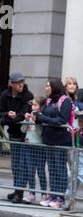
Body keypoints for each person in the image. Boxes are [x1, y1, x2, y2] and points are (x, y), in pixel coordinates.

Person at [0, 72, 34, 203]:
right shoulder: (4, 95)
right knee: (15, 164)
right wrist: (7, 114)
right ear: (11, 84)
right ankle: (17, 189)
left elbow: (24, 115)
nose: (21, 85)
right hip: (12, 133)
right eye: (18, 83)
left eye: (22, 82)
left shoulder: (28, 95)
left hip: (24, 135)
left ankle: (20, 192)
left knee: (22, 165)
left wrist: (5, 120)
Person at [37, 79, 73, 209]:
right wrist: (36, 117)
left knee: (60, 169)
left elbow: (62, 120)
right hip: (48, 139)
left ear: (54, 87)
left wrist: (43, 118)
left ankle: (61, 197)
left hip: (60, 140)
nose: (46, 88)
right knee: (51, 169)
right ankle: (52, 194)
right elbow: (44, 117)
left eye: (48, 86)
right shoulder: (48, 101)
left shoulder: (65, 101)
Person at [21, 97, 48, 204]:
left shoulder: (42, 118)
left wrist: (36, 121)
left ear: (41, 107)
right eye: (32, 105)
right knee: (30, 171)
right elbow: (22, 129)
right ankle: (31, 193)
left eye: (36, 105)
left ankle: (43, 194)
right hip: (28, 146)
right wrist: (27, 121)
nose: (33, 107)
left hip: (39, 147)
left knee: (41, 172)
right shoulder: (29, 117)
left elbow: (41, 133)